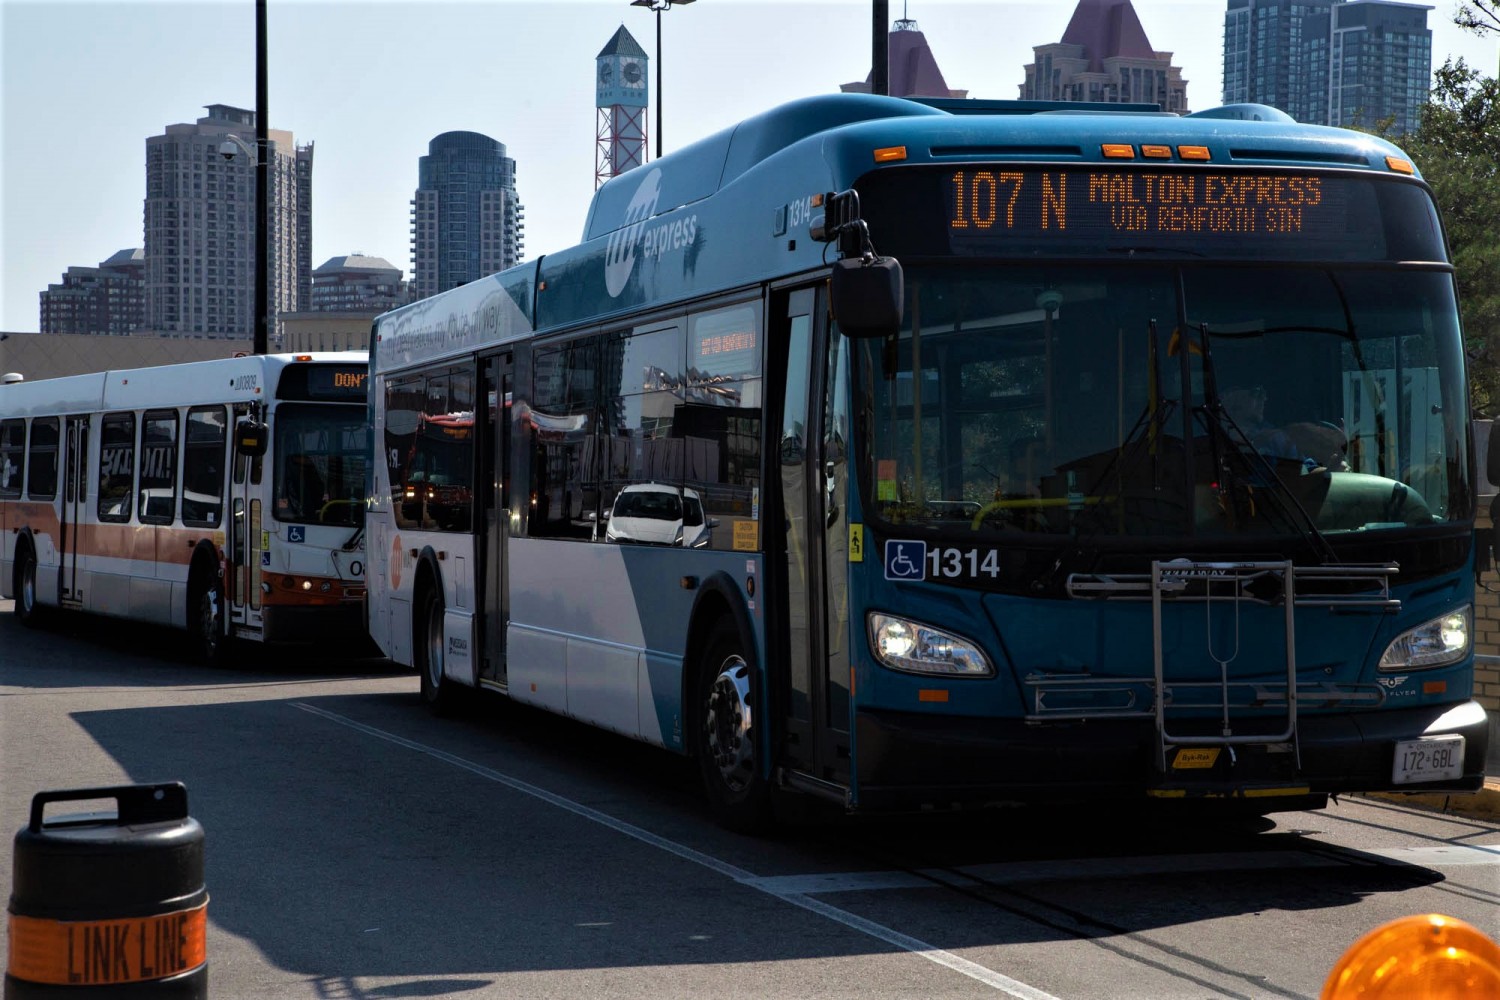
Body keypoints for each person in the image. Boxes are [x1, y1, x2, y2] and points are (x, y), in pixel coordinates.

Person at [1221, 384, 1300, 461]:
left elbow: (1307, 470)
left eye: (1264, 395)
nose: (1264, 399)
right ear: (1230, 396)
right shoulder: (1212, 433)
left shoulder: (1276, 438)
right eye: (1256, 393)